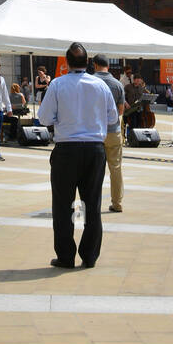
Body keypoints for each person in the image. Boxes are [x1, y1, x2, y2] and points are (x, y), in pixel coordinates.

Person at [38, 42, 118, 268]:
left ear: (66, 63)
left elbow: (44, 119)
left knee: (63, 205)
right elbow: (112, 119)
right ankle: (90, 255)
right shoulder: (100, 86)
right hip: (94, 149)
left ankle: (66, 256)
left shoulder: (57, 84)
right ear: (89, 63)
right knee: (92, 204)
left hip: (67, 149)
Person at [91, 53, 125, 213]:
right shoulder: (117, 84)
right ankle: (117, 203)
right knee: (115, 168)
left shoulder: (89, 81)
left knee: (92, 170)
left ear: (95, 65)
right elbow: (120, 110)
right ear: (108, 66)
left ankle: (92, 204)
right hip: (113, 131)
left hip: (93, 132)